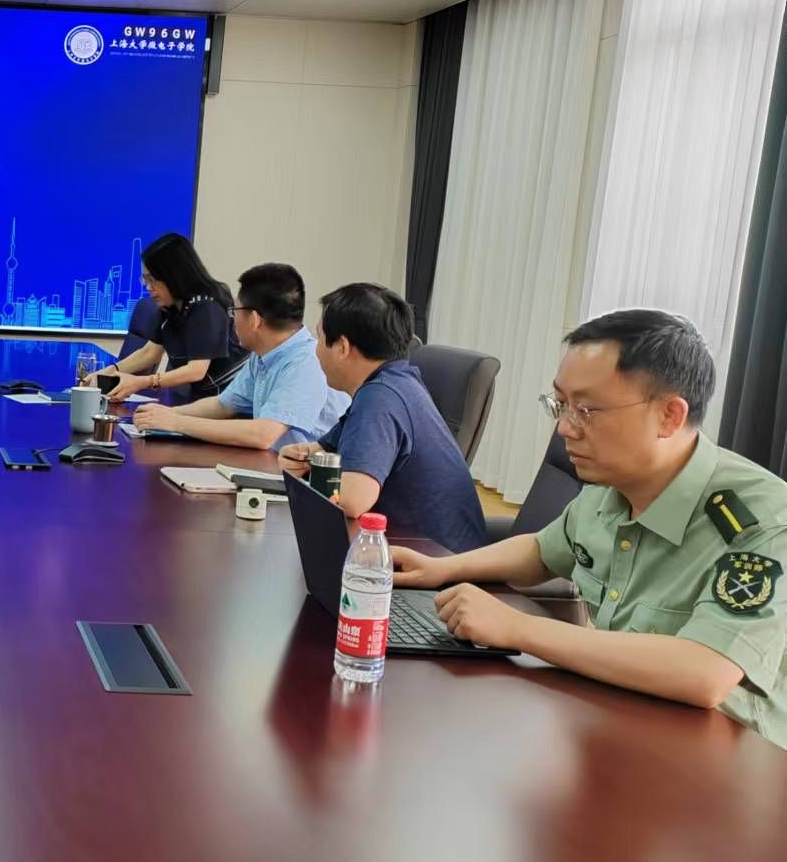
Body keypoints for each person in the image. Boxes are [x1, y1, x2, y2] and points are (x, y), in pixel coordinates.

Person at [393, 309, 787, 748]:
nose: (564, 428)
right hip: (622, 723)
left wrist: (516, 628)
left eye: (585, 409)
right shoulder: (611, 485)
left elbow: (706, 672)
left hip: (732, 757)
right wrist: (441, 568)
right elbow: (543, 551)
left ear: (669, 416)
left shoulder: (763, 519)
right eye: (560, 404)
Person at [280, 283, 487, 551]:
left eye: (319, 338)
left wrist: (310, 473)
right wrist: (302, 457)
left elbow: (354, 499)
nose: (316, 350)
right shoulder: (393, 382)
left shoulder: (380, 398)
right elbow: (322, 450)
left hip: (435, 561)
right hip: (418, 549)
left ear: (342, 347)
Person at [132, 262, 347, 451]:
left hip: (307, 479)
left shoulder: (305, 362)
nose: (232, 319)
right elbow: (223, 405)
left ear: (254, 320)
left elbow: (263, 435)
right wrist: (169, 414)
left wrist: (176, 423)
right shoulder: (263, 354)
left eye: (234, 312)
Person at [82, 233, 241, 402]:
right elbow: (150, 352)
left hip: (223, 401)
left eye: (152, 280)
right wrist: (107, 372)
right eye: (145, 280)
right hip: (195, 398)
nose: (148, 287)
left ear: (174, 276)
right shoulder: (171, 304)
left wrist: (142, 382)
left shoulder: (206, 305)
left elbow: (197, 370)